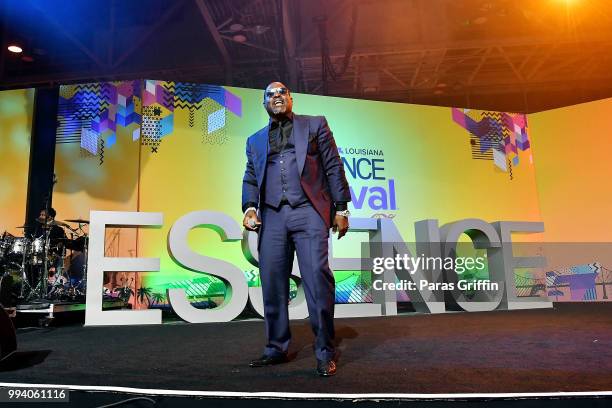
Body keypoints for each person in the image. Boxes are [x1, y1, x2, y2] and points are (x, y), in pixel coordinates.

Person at [242, 82, 351, 376]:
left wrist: (341, 208)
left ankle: (325, 350)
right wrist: (249, 207)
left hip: (309, 212)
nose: (276, 96)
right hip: (273, 216)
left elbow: (333, 166)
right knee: (273, 283)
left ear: (290, 98)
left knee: (317, 279)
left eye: (281, 92)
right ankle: (276, 348)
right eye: (270, 94)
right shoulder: (254, 141)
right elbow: (251, 177)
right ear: (264, 103)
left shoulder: (315, 125)